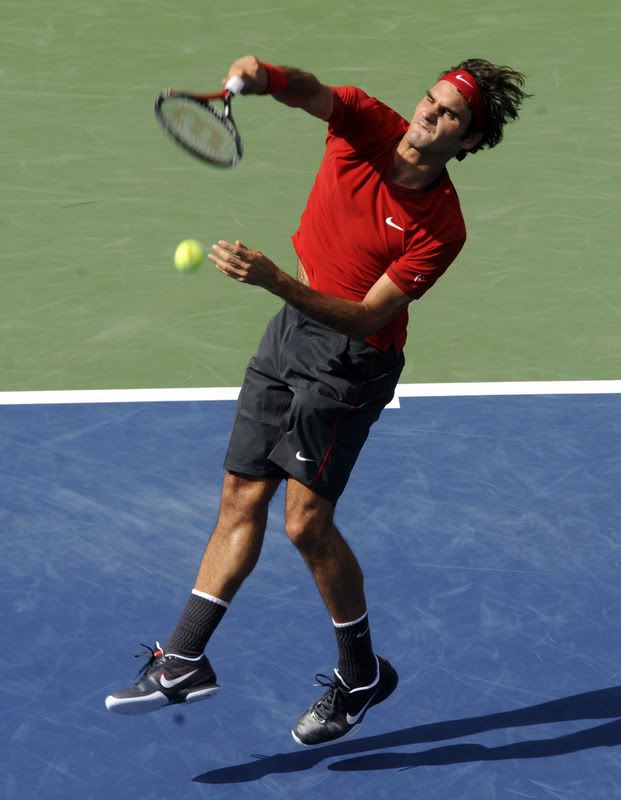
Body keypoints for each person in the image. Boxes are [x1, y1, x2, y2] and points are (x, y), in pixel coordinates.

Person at [105, 55, 530, 745]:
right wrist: (262, 75)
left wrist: (273, 279)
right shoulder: (365, 122)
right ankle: (182, 659)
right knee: (240, 496)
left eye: (450, 114)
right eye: (429, 99)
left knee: (304, 525)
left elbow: (366, 318)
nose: (427, 114)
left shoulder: (440, 227)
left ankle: (360, 674)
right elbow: (307, 90)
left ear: (470, 140)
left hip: (350, 364)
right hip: (289, 336)